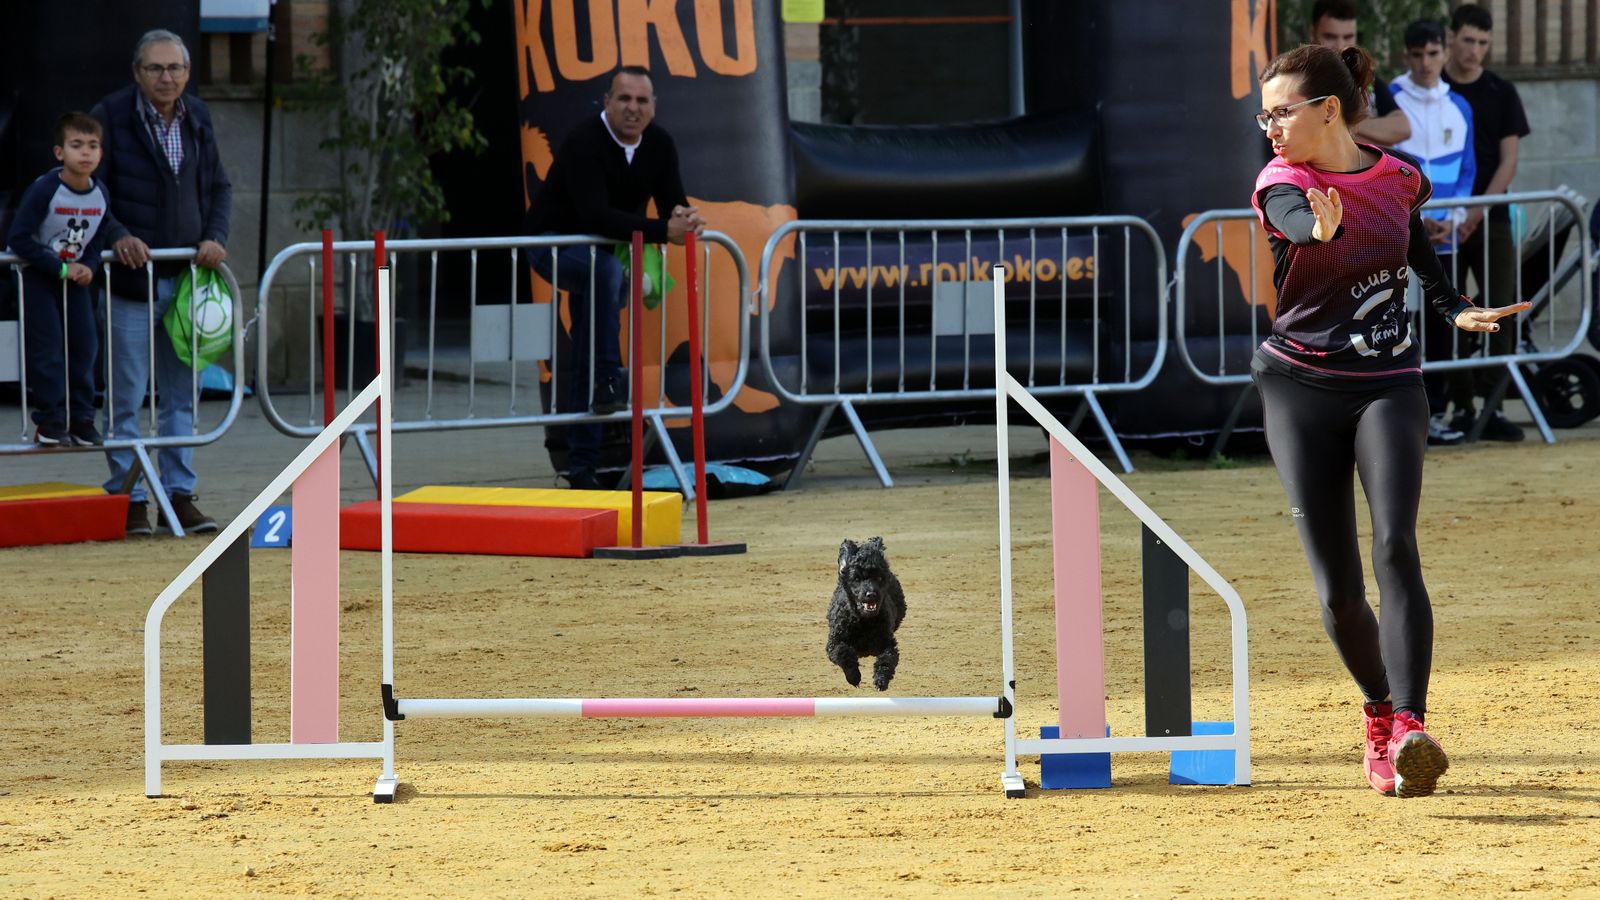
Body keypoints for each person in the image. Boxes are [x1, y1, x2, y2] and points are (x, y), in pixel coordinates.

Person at [1249, 44, 1527, 797]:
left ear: (1327, 110)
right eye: (1264, 113)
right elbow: (1292, 221)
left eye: (1279, 112)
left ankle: (1410, 725)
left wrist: (1459, 310)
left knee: (1396, 546)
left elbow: (1419, 267)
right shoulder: (1283, 181)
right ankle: (1376, 712)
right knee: (1338, 591)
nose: (1268, 125)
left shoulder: (1400, 178)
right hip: (1299, 388)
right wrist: (1317, 233)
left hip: (1389, 384)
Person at [525, 65, 704, 490]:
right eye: (624, 98)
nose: (632, 108)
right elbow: (596, 216)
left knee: (590, 332)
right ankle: (610, 376)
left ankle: (581, 466)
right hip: (552, 244)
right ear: (606, 102)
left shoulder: (659, 143)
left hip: (602, 257)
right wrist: (666, 231)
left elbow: (671, 202)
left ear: (654, 107)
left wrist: (685, 216)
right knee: (605, 271)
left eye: (642, 101)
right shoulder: (585, 141)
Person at [92, 29, 232, 535]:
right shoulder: (109, 115)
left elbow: (219, 187)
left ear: (188, 72)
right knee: (126, 398)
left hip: (186, 285)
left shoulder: (197, 116)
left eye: (175, 68)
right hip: (130, 285)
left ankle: (179, 495)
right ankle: (128, 499)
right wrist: (118, 235)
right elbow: (90, 191)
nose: (166, 77)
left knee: (181, 398)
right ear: (137, 73)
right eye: (155, 68)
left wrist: (215, 235)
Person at [5, 112, 123, 447]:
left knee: (85, 345)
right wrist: (58, 268)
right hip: (41, 279)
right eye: (76, 145)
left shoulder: (101, 193)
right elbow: (19, 238)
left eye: (92, 146)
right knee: (49, 348)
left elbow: (98, 237)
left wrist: (88, 265)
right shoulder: (45, 189)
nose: (85, 153)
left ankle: (82, 418)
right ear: (60, 153)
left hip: (75, 282)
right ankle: (51, 419)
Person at [1385, 19, 1477, 447]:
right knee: (1400, 322)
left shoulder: (1460, 106)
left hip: (1443, 236)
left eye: (1433, 53)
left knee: (1442, 324)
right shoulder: (1394, 99)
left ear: (1445, 53)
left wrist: (1453, 219)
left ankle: (1437, 410)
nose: (1426, 63)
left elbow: (1467, 170)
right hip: (1400, 231)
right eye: (1417, 54)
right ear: (1407, 55)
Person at [1442, 3, 1532, 441]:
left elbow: (1509, 160)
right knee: (1454, 310)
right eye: (1467, 40)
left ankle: (1493, 407)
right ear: (1451, 38)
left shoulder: (1501, 91)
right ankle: (1460, 405)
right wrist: (1454, 215)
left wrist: (1475, 212)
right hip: (1442, 226)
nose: (1474, 50)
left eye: (1482, 42)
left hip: (1490, 219)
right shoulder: (1434, 89)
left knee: (1502, 307)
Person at [1306, 0, 1411, 146]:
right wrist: (1376, 133)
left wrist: (1346, 122)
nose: (1340, 46)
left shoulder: (1366, 78)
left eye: (1348, 37)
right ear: (1312, 33)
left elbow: (1402, 127)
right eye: (1330, 37)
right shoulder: (1300, 81)